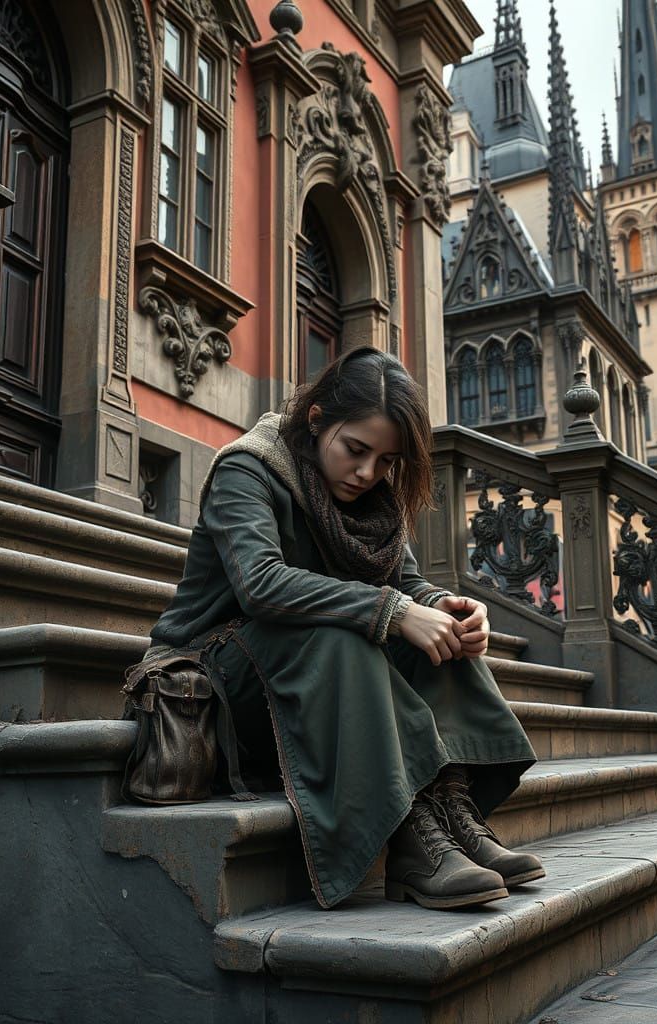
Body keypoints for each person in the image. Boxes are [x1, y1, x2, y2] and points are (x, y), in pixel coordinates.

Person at [147, 347, 543, 910]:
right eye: (356, 450)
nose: (367, 473)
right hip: (215, 676)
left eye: (386, 461)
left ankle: (452, 815)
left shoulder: (371, 502)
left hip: (304, 670)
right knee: (355, 630)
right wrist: (393, 611)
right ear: (316, 421)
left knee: (438, 637)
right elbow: (261, 585)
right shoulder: (246, 470)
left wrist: (446, 607)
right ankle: (406, 830)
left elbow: (407, 584)